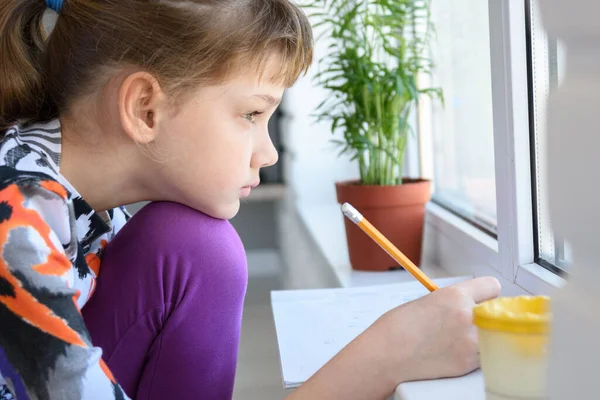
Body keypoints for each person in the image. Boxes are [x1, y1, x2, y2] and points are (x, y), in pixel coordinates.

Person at [0, 0, 501, 398]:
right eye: (250, 114)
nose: (267, 153)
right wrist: (389, 355)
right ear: (145, 108)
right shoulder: (13, 224)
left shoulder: (69, 188)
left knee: (193, 247)